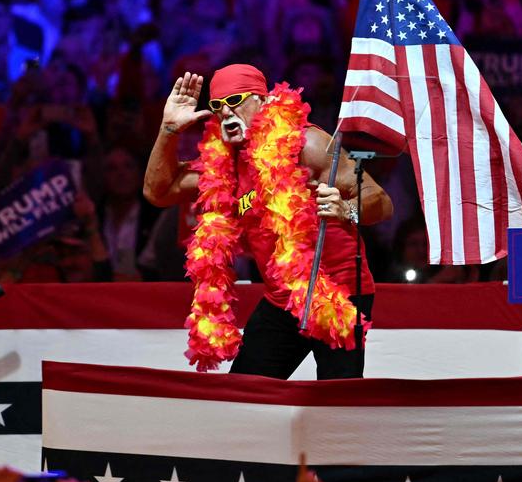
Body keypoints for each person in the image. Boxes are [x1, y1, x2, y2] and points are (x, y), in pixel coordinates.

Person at [143, 65, 392, 379]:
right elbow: (158, 191)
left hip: (337, 293)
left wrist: (347, 210)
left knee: (337, 402)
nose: (226, 113)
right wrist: (169, 129)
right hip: (281, 300)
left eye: (235, 100)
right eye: (218, 107)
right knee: (245, 394)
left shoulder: (308, 144)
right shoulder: (223, 162)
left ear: (262, 100)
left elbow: (381, 201)